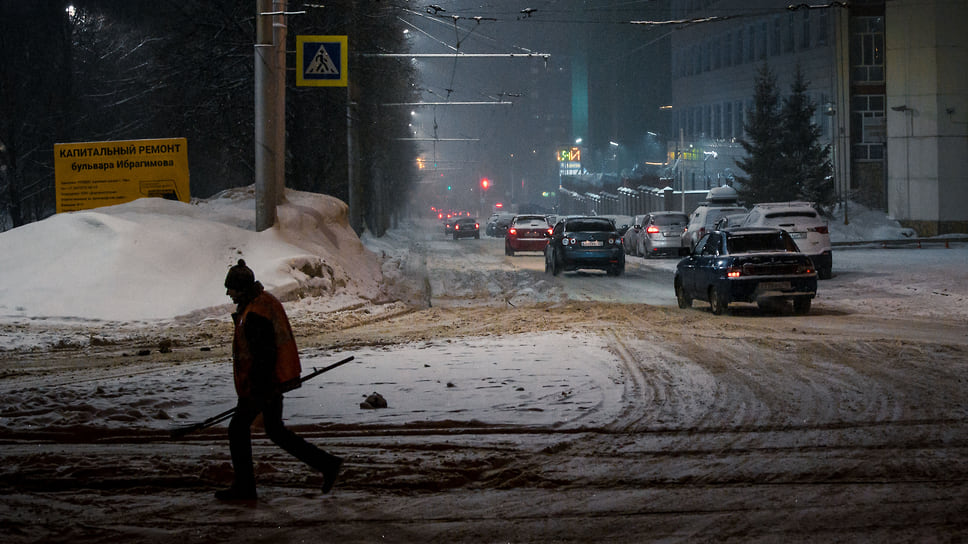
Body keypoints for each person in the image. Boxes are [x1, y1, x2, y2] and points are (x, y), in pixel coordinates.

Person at [216, 259, 342, 501]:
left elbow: (263, 355)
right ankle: (327, 464)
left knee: (238, 429)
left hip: (262, 385)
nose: (228, 293)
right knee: (276, 432)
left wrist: (257, 391)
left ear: (241, 288)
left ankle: (245, 489)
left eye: (230, 288)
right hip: (269, 383)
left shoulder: (255, 314)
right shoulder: (261, 302)